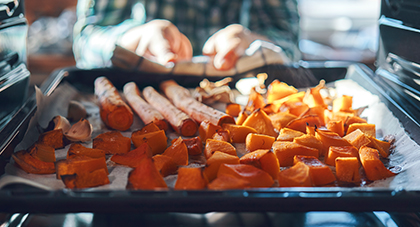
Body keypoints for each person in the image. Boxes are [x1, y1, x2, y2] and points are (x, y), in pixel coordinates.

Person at [73, 0, 300, 71]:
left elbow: (288, 42)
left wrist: (252, 41)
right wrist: (130, 40)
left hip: (242, 95)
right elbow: (87, 38)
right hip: (139, 87)